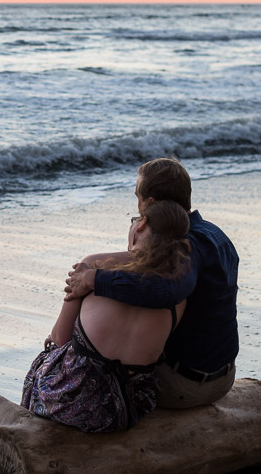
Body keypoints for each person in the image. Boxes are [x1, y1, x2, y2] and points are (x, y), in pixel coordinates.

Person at [65, 157, 239, 408]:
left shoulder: (186, 248)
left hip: (183, 385)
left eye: (138, 197)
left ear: (151, 204)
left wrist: (95, 279)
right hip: (222, 378)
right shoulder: (215, 234)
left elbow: (166, 289)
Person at [21, 199, 190, 432]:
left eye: (135, 220)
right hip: (126, 411)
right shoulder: (177, 295)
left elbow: (61, 337)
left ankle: (31, 432)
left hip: (73, 402)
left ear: (142, 225)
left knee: (44, 359)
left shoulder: (95, 266)